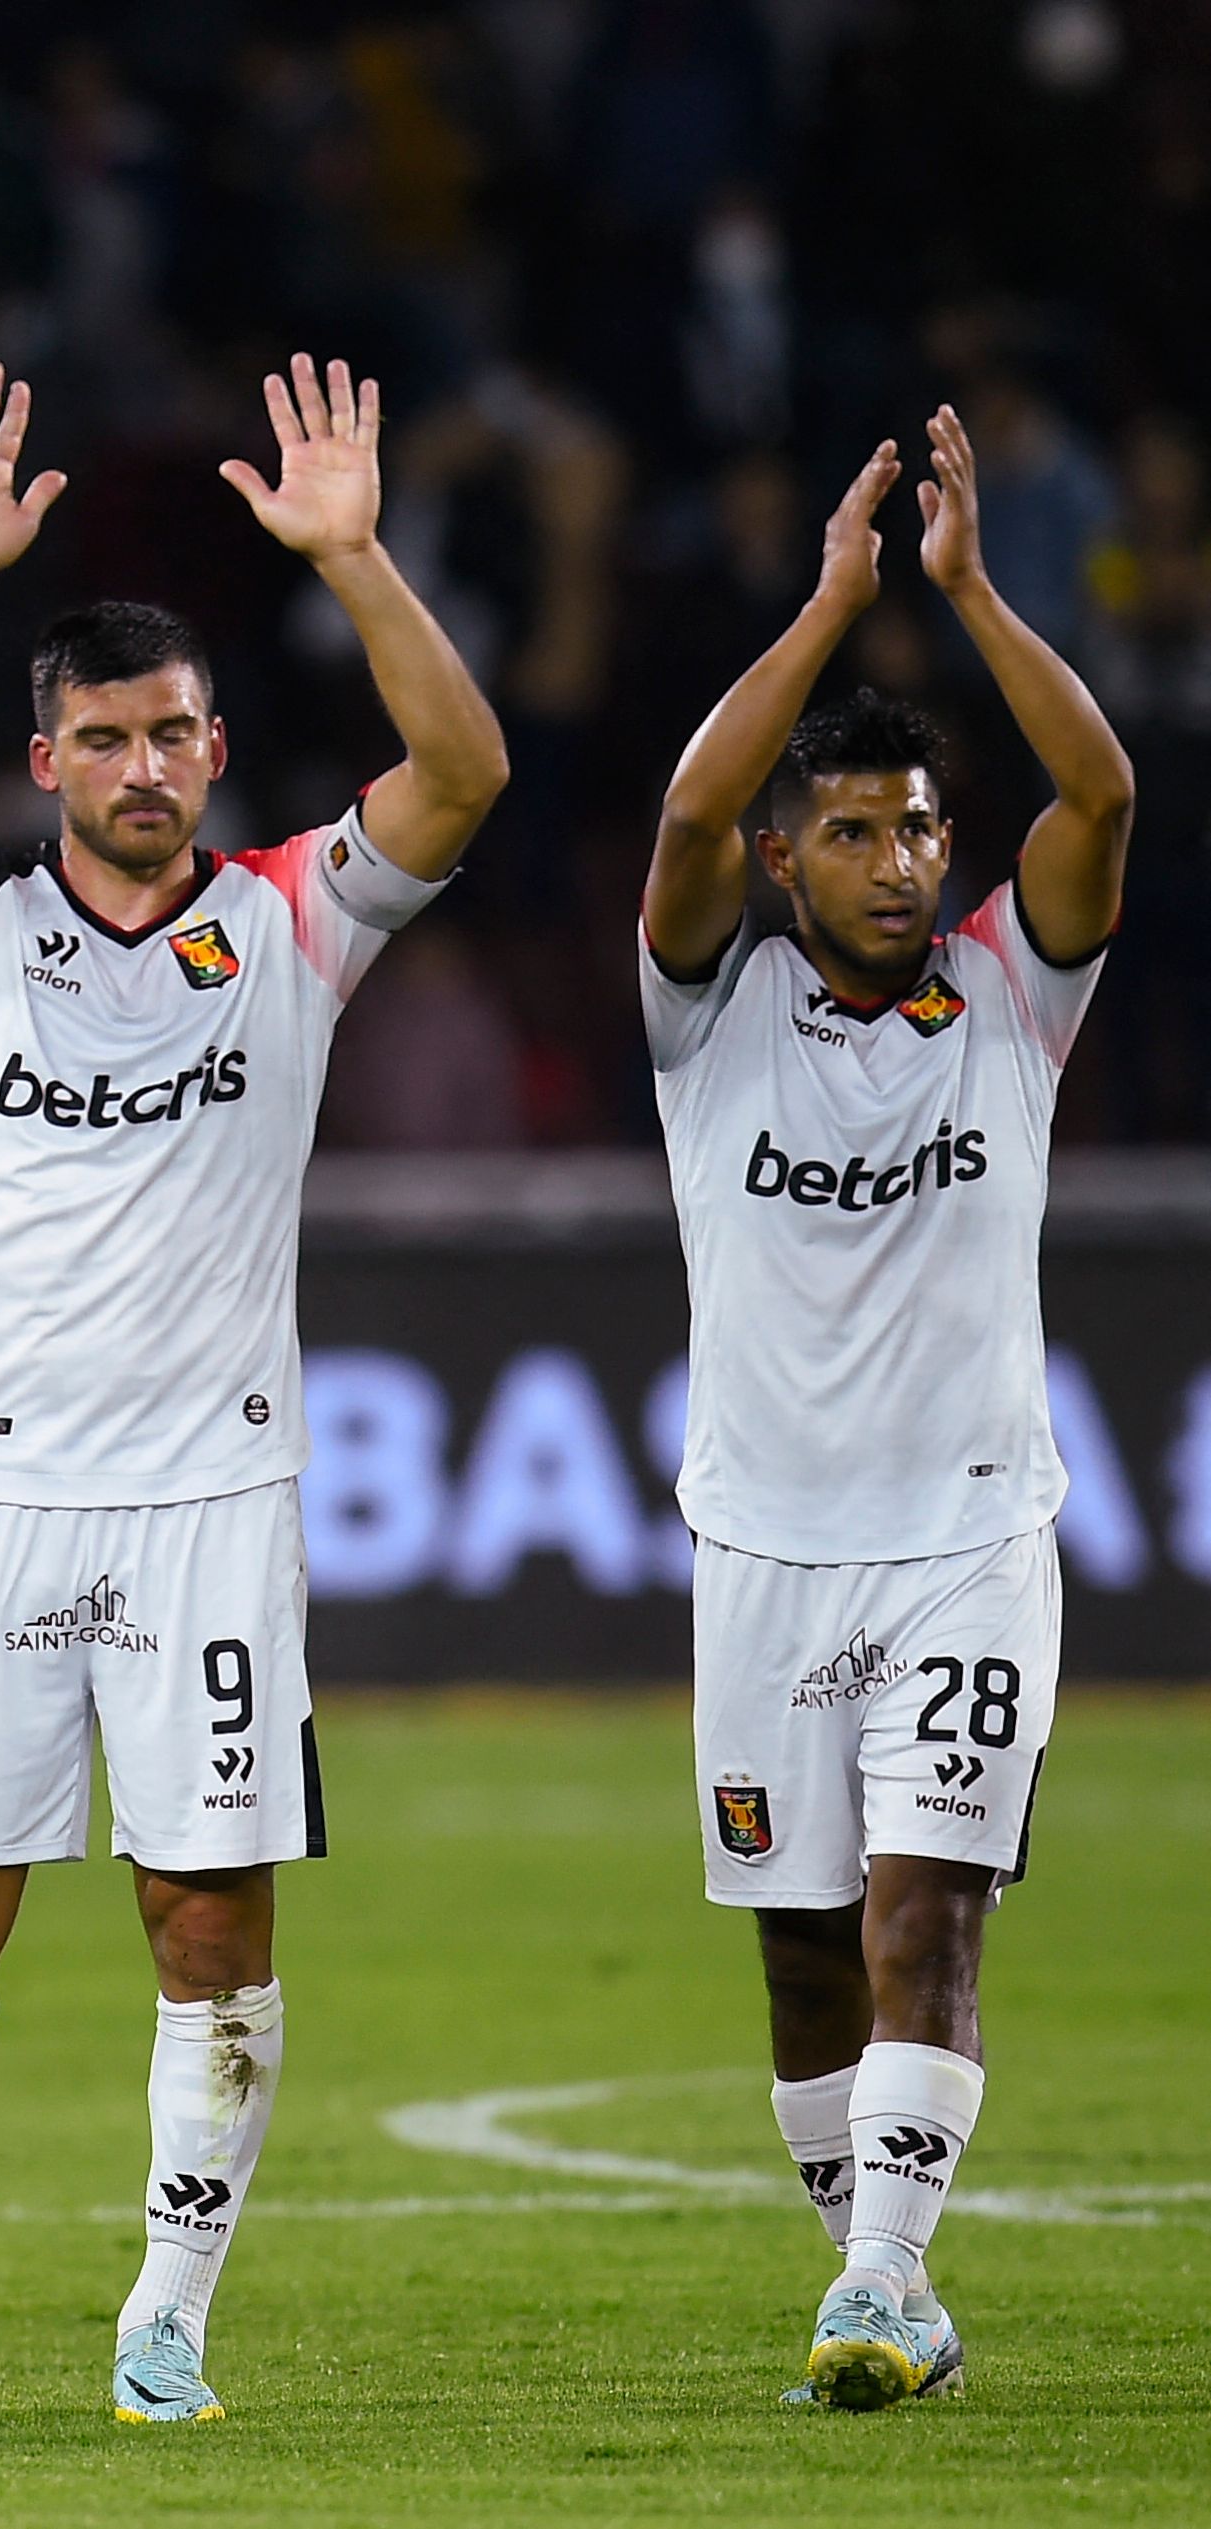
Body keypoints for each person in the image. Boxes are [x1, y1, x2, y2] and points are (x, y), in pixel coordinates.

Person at [0, 358, 507, 2433]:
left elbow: (460, 769)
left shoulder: (289, 924)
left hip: (206, 1497)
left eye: (173, 732)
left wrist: (351, 557)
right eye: (103, 736)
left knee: (205, 1915)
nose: (144, 764)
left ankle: (165, 2313)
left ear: (215, 747)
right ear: (45, 758)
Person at [638, 415, 1128, 2411]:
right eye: (847, 829)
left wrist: (973, 597)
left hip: (967, 1538)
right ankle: (878, 2274)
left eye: (918, 828)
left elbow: (1096, 785)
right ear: (787, 855)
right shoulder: (707, 1011)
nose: (896, 860)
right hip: (761, 1545)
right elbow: (677, 820)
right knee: (801, 1955)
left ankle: (877, 2284)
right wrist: (834, 599)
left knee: (929, 1905)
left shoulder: (1014, 993)